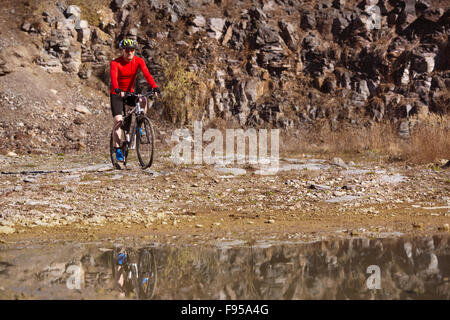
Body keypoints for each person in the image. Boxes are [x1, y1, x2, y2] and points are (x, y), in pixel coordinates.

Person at [110, 38, 160, 168]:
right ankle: (118, 151)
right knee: (118, 121)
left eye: (132, 50)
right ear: (123, 51)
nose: (130, 53)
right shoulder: (115, 63)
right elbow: (114, 78)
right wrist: (117, 89)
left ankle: (140, 123)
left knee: (143, 99)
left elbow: (147, 74)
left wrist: (154, 86)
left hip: (129, 93)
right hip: (117, 94)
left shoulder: (139, 61)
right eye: (127, 51)